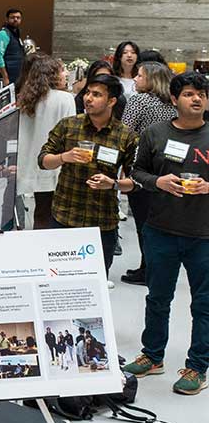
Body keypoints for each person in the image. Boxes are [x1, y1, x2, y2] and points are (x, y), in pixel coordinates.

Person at [122, 72, 209, 393]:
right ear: (174, 99)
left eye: (201, 93)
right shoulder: (155, 134)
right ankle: (153, 355)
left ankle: (198, 366)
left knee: (204, 304)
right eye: (188, 93)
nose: (196, 99)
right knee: (158, 298)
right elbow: (137, 172)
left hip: (204, 235)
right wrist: (157, 181)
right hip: (160, 230)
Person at [39, 74, 137, 279]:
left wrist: (113, 184)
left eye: (97, 94)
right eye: (87, 93)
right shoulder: (68, 126)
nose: (88, 98)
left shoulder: (126, 135)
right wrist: (64, 157)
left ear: (111, 101)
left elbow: (135, 182)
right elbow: (43, 161)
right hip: (65, 217)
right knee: (57, 281)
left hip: (102, 223)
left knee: (96, 285)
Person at [122, 61, 177, 283]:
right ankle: (158, 268)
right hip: (169, 168)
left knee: (143, 223)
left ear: (152, 80)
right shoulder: (173, 105)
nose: (135, 79)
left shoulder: (139, 100)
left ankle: (148, 269)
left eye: (140, 76)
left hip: (142, 168)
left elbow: (125, 131)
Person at [16, 53, 77, 229]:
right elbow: (71, 134)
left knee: (41, 211)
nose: (66, 74)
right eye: (62, 70)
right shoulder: (65, 99)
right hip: (57, 163)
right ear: (51, 75)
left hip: (31, 165)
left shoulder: (27, 99)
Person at [0, 8, 25, 86]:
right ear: (7, 19)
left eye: (18, 18)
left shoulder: (15, 34)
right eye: (12, 17)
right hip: (5, 79)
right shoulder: (3, 34)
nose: (15, 19)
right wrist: (5, 76)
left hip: (15, 78)